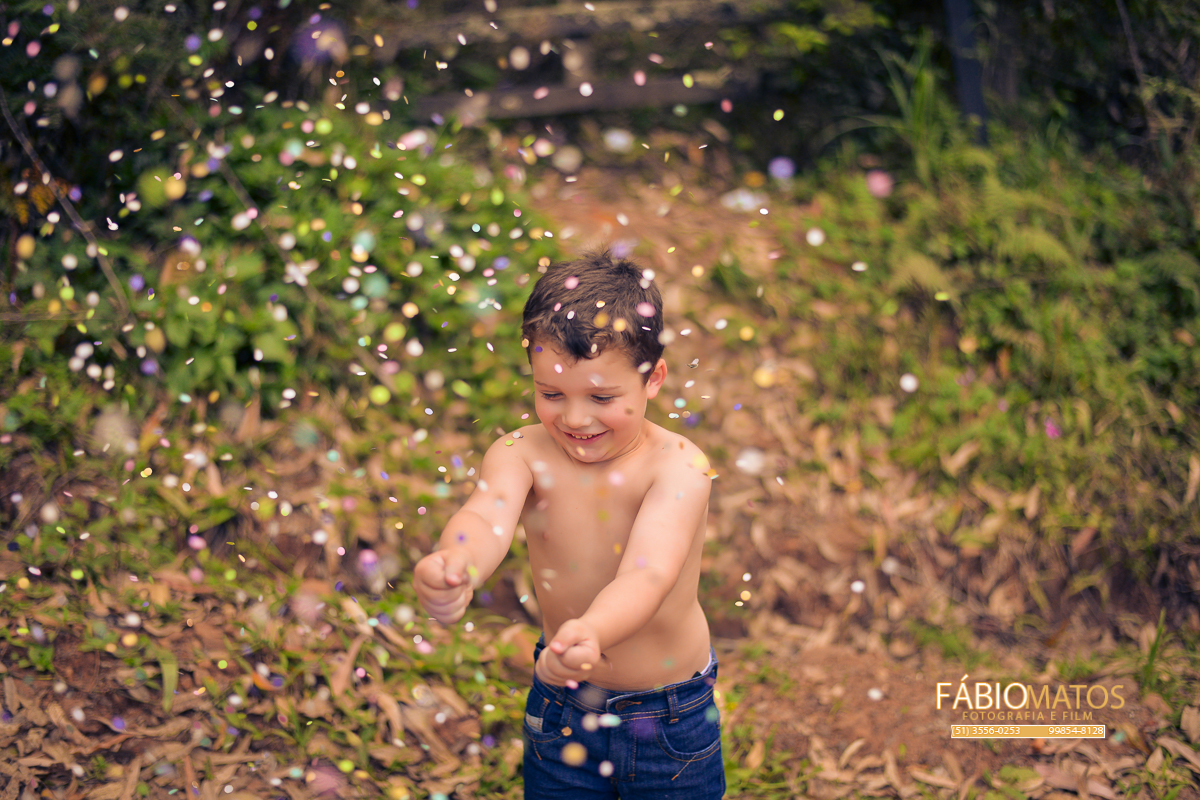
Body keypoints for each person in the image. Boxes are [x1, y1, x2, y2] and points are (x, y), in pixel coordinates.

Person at [413, 249, 724, 799]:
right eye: (551, 394)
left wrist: (594, 629)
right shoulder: (522, 453)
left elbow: (649, 574)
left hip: (671, 715)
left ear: (653, 378)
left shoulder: (677, 467)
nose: (575, 419)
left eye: (602, 398)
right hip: (562, 705)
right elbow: (487, 516)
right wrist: (455, 562)